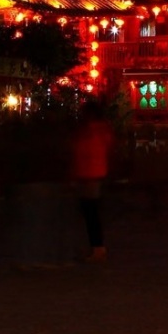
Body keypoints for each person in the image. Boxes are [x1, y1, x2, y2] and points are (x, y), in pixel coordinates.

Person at [71, 99, 113, 262]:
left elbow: (82, 151)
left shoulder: (89, 131)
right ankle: (95, 246)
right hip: (94, 172)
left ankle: (97, 247)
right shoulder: (101, 130)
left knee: (90, 212)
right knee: (91, 212)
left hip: (89, 174)